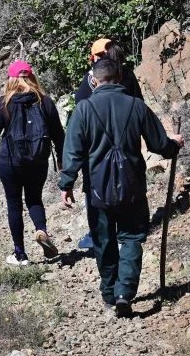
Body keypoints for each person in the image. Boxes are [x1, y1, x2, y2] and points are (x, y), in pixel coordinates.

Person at [60, 58, 183, 317]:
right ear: (119, 78)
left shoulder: (82, 110)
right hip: (133, 188)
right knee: (132, 238)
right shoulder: (136, 106)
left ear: (93, 80)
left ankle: (109, 294)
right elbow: (159, 145)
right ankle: (124, 293)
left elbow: (73, 152)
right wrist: (175, 146)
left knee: (103, 241)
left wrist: (66, 184)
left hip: (96, 191)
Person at [0, 60, 65, 266]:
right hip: (38, 161)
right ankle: (41, 230)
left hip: (11, 161)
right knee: (35, 199)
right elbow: (58, 135)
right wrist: (62, 158)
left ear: (11, 78)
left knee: (14, 204)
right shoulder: (44, 101)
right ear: (31, 77)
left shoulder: (5, 102)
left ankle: (20, 254)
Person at [74, 38, 144, 250]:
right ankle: (128, 230)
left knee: (94, 188)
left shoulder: (91, 80)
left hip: (97, 148)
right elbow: (140, 105)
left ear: (99, 56)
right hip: (128, 146)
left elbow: (80, 105)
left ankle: (97, 233)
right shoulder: (127, 76)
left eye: (94, 57)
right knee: (128, 183)